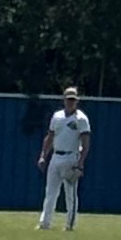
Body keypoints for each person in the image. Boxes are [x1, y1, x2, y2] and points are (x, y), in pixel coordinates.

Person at [36, 87, 91, 231]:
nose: (70, 102)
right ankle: (45, 223)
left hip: (71, 157)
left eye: (73, 100)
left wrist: (80, 164)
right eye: (68, 99)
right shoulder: (57, 116)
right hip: (56, 156)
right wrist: (43, 156)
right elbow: (50, 137)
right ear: (64, 100)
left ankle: (69, 225)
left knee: (70, 194)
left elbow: (85, 143)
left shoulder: (81, 119)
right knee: (50, 192)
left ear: (77, 101)